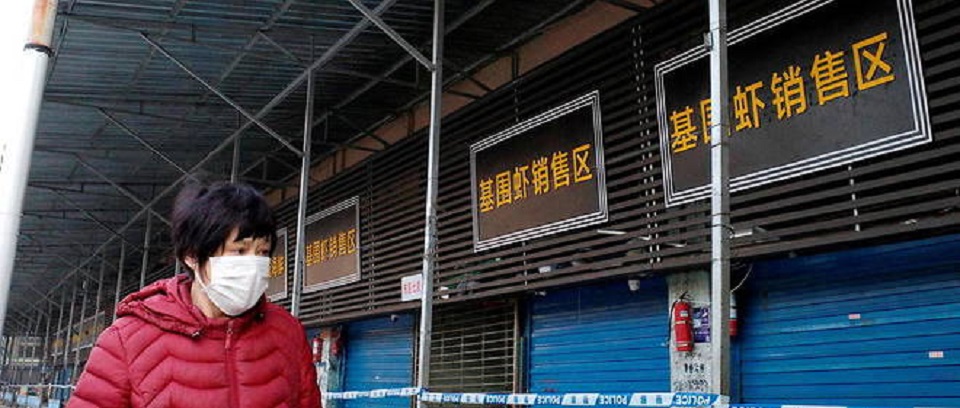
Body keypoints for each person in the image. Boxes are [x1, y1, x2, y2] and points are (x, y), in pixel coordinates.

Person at [68, 182, 320, 408]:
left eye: (262, 252)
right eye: (239, 251)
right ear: (191, 255)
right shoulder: (127, 339)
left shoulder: (288, 333)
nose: (253, 265)